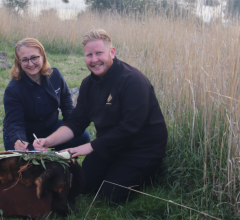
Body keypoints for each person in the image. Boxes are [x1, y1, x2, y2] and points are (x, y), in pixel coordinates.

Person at [33, 29, 168, 203]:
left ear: (112, 52)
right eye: (89, 55)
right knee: (84, 186)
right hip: (109, 147)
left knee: (109, 197)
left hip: (142, 149)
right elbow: (76, 121)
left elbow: (130, 128)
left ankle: (148, 174)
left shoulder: (133, 81)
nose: (94, 60)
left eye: (99, 53)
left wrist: (87, 148)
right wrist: (48, 141)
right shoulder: (88, 84)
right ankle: (115, 171)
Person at [2, 37, 90, 151]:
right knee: (30, 165)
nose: (30, 64)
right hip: (24, 135)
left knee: (83, 136)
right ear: (19, 62)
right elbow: (15, 123)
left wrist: (72, 127)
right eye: (24, 60)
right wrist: (19, 141)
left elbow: (67, 104)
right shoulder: (13, 90)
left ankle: (57, 157)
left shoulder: (55, 75)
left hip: (50, 128)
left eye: (34, 57)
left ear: (43, 57)